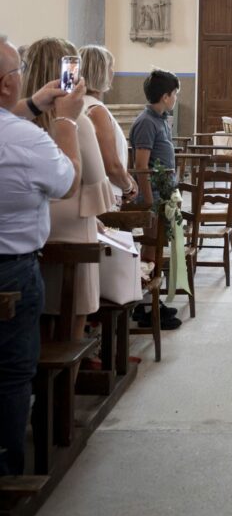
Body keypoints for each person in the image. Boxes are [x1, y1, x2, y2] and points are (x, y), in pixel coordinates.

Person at [0, 35, 83, 476]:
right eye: (16, 72)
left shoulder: (18, 124)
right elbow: (67, 182)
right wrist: (66, 122)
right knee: (12, 376)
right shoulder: (27, 141)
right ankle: (7, 473)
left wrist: (32, 104)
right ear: (6, 86)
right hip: (10, 272)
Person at [22, 38, 116, 340]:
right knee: (73, 312)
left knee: (33, 318)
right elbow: (96, 179)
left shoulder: (14, 119)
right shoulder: (75, 122)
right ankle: (65, 381)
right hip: (72, 225)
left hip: (28, 231)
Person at [128, 69, 181, 329]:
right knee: (149, 250)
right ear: (165, 96)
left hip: (163, 195)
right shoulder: (147, 122)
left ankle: (152, 302)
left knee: (156, 249)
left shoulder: (160, 119)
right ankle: (144, 306)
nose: (175, 99)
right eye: (174, 94)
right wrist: (148, 203)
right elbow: (141, 165)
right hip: (153, 198)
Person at [79, 44, 137, 206]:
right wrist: (128, 186)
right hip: (103, 196)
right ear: (101, 72)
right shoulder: (96, 110)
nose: (113, 72)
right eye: (111, 67)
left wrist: (125, 176)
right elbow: (110, 165)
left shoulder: (77, 104)